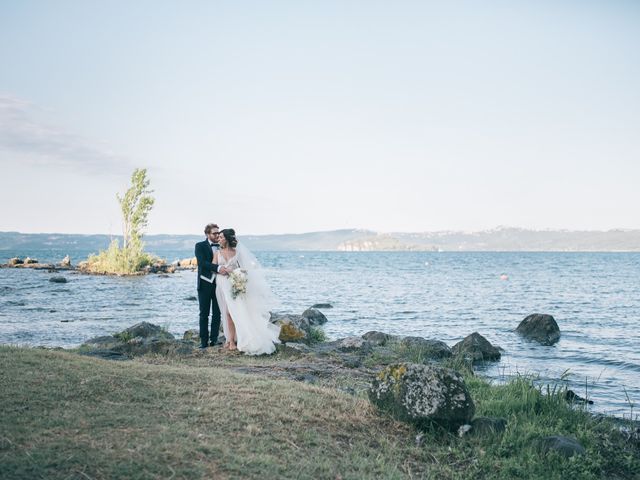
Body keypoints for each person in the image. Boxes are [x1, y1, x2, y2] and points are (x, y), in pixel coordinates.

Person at [214, 228, 281, 355]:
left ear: (227, 239)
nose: (219, 239)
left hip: (234, 285)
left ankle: (235, 341)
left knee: (233, 312)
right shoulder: (217, 253)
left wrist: (238, 275)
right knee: (226, 313)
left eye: (221, 237)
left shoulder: (236, 253)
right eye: (219, 237)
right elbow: (213, 268)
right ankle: (230, 341)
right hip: (222, 285)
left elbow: (244, 270)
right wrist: (222, 270)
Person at [194, 223, 226, 349]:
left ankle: (214, 339)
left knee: (217, 314)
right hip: (204, 284)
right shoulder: (200, 246)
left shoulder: (222, 246)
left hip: (219, 284)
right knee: (204, 314)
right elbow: (202, 263)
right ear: (207, 234)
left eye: (218, 233)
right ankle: (203, 342)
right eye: (214, 233)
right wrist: (218, 268)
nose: (217, 235)